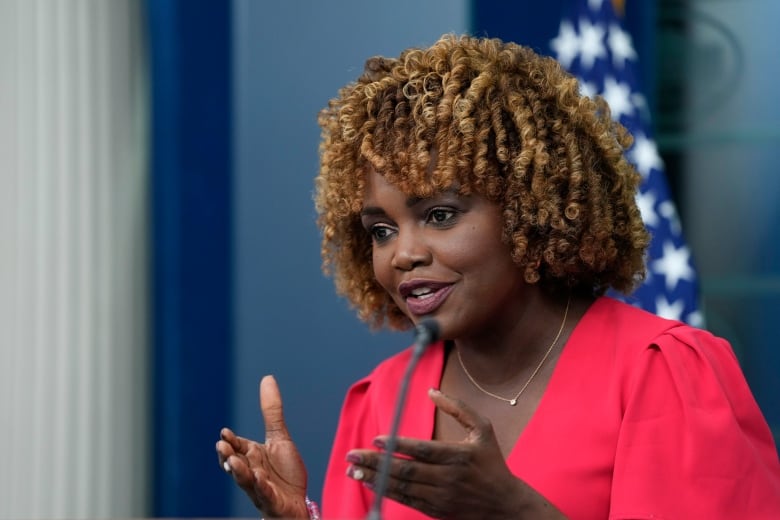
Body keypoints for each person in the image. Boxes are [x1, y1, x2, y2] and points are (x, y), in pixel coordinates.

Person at [216, 34, 780, 519]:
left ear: (530, 209)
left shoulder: (662, 375)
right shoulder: (383, 399)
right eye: (381, 230)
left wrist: (515, 510)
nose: (402, 254)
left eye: (439, 215)